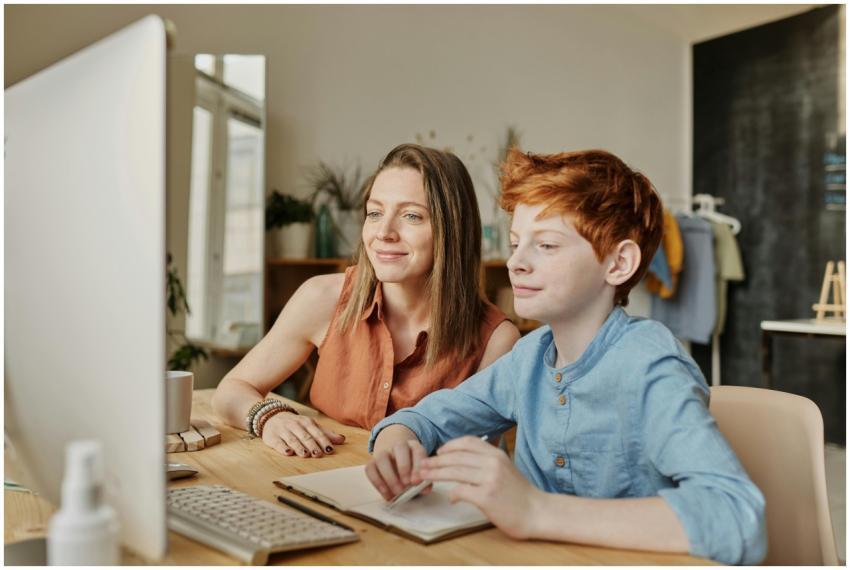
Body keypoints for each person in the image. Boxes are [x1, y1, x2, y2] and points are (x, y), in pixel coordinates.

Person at [365, 149, 766, 565]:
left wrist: (535, 510)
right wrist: (397, 445)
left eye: (547, 245)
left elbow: (737, 517)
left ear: (619, 263)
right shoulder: (530, 357)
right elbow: (427, 418)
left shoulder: (650, 366)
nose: (517, 263)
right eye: (517, 244)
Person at [211, 144, 520, 459]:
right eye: (375, 213)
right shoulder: (322, 298)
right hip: (307, 486)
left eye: (411, 215)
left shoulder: (495, 340)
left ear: (453, 229)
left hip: (420, 502)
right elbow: (231, 389)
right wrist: (270, 417)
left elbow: (472, 460)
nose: (384, 232)